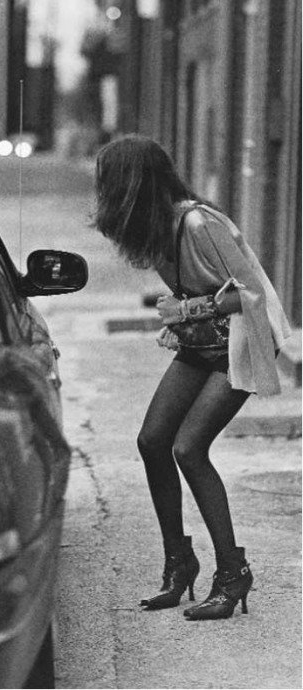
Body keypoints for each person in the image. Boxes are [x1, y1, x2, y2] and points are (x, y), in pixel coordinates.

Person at [93, 134, 291, 621]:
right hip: (203, 345)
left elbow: (250, 294)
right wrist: (182, 315)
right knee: (152, 440)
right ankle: (179, 565)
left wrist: (185, 309)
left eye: (108, 183)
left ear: (132, 184)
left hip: (242, 343)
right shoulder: (152, 230)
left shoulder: (200, 223)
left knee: (189, 448)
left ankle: (233, 573)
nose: (103, 195)